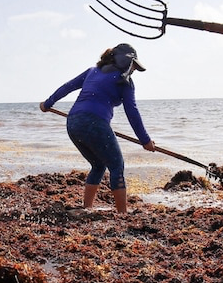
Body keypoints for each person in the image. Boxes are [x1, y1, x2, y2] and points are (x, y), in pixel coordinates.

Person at [39, 43, 154, 214]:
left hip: (73, 123)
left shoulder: (92, 71)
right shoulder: (125, 82)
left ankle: (87, 209)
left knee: (99, 165)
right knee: (116, 166)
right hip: (95, 123)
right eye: (134, 66)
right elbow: (132, 112)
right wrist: (145, 140)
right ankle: (122, 214)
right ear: (125, 62)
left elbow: (67, 87)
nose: (134, 71)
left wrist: (48, 103)